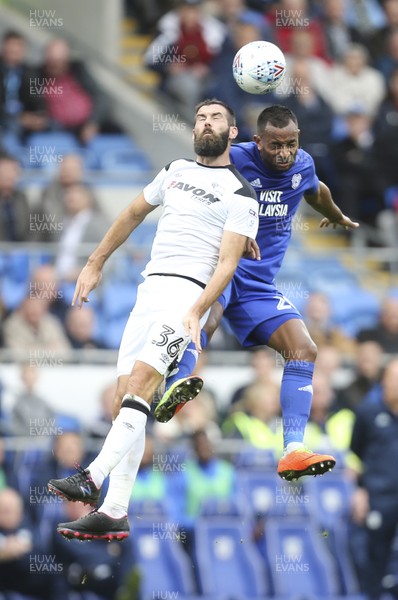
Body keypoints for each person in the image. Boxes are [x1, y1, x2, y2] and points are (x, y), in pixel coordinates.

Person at [47, 99, 259, 540]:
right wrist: (94, 262)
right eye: (200, 117)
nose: (206, 123)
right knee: (123, 399)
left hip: (186, 295)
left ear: (232, 133)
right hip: (149, 289)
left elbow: (226, 264)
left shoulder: (241, 193)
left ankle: (92, 477)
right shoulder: (175, 169)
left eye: (216, 117)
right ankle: (116, 511)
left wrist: (197, 313)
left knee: (142, 383)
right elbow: (131, 214)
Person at [155, 104, 359, 482]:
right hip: (221, 267)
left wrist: (336, 212)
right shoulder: (232, 159)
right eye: (276, 146)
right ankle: (174, 386)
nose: (284, 153)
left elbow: (315, 189)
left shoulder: (302, 165)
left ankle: (293, 450)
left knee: (304, 348)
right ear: (257, 142)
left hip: (258, 284)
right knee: (209, 317)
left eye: (291, 145)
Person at [350, 357, 398, 599]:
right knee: (375, 562)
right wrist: (358, 491)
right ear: (384, 382)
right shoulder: (367, 413)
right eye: (392, 379)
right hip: (378, 498)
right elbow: (354, 457)